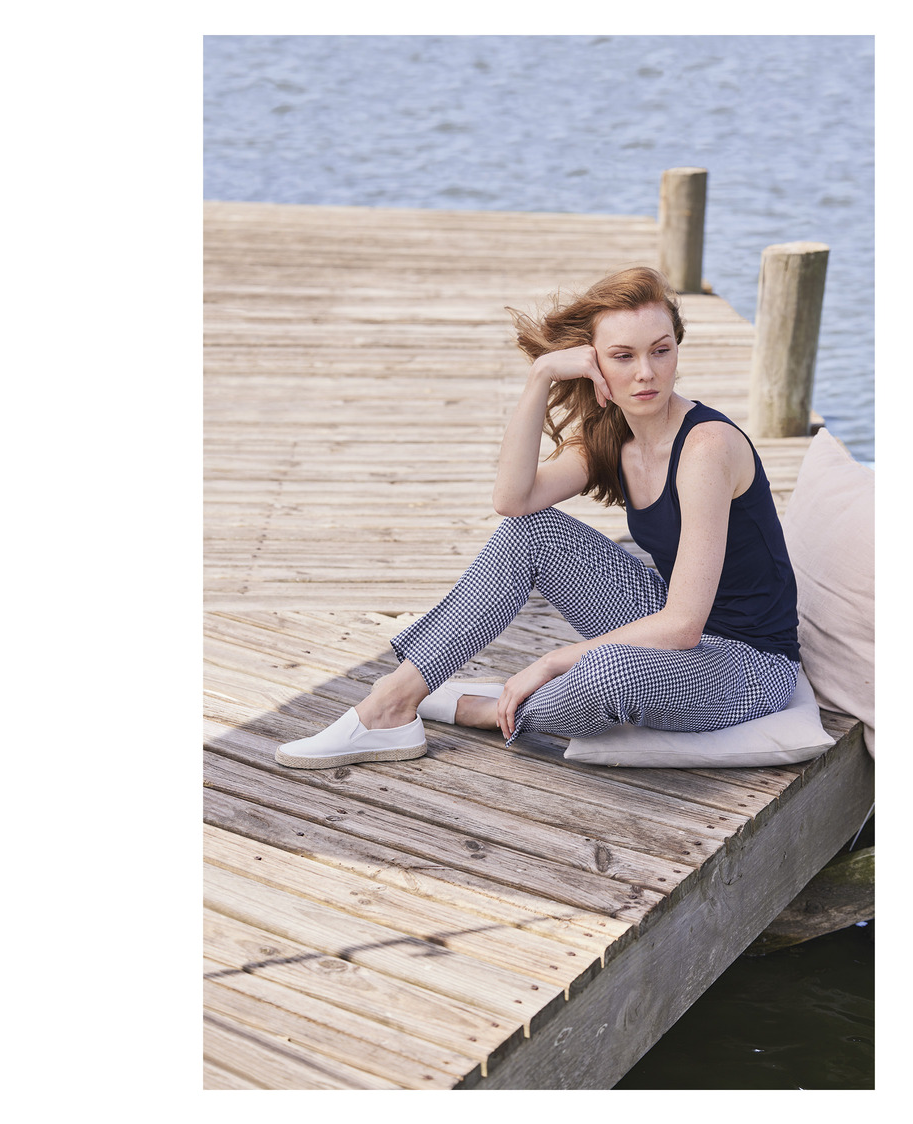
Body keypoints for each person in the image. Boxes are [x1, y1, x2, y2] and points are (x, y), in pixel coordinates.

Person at [277, 266, 801, 769]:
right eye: (623, 356)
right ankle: (393, 702)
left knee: (604, 673)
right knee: (533, 531)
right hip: (671, 621)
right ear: (593, 363)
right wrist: (541, 374)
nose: (646, 372)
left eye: (660, 351)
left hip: (748, 663)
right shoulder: (613, 436)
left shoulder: (707, 447)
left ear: (676, 349)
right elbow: (513, 500)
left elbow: (684, 625)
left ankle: (482, 711)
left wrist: (554, 660)